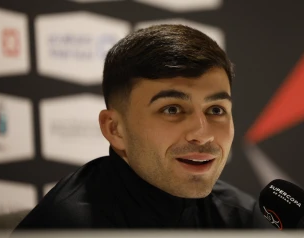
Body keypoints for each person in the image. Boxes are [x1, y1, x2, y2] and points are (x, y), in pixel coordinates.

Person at [14, 24, 271, 230]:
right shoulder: (68, 226)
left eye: (216, 110)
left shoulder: (244, 218)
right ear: (115, 129)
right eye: (172, 109)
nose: (203, 134)